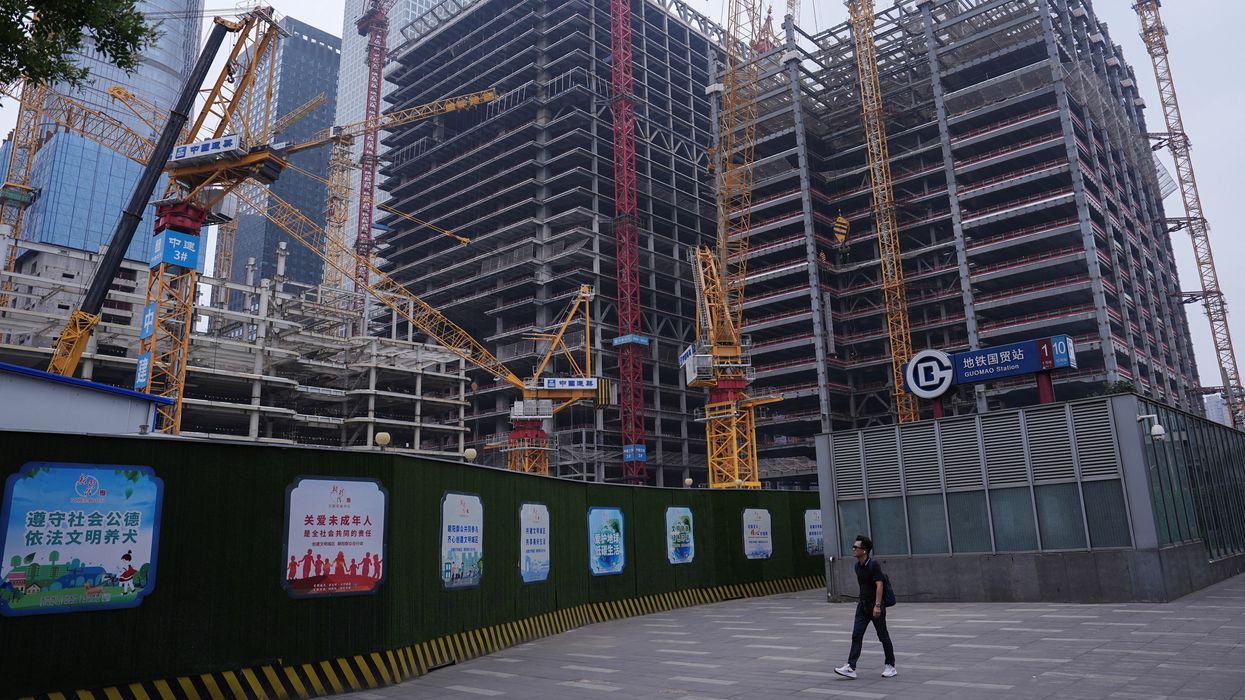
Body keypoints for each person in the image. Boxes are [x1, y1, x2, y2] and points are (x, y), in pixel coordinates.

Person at [834, 535, 896, 679]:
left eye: (856, 547)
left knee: (883, 636)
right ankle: (850, 667)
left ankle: (890, 665)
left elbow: (879, 584)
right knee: (856, 635)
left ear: (865, 550)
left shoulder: (873, 565)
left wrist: (878, 605)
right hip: (862, 607)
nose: (853, 549)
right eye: (853, 546)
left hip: (875, 607)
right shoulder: (857, 566)